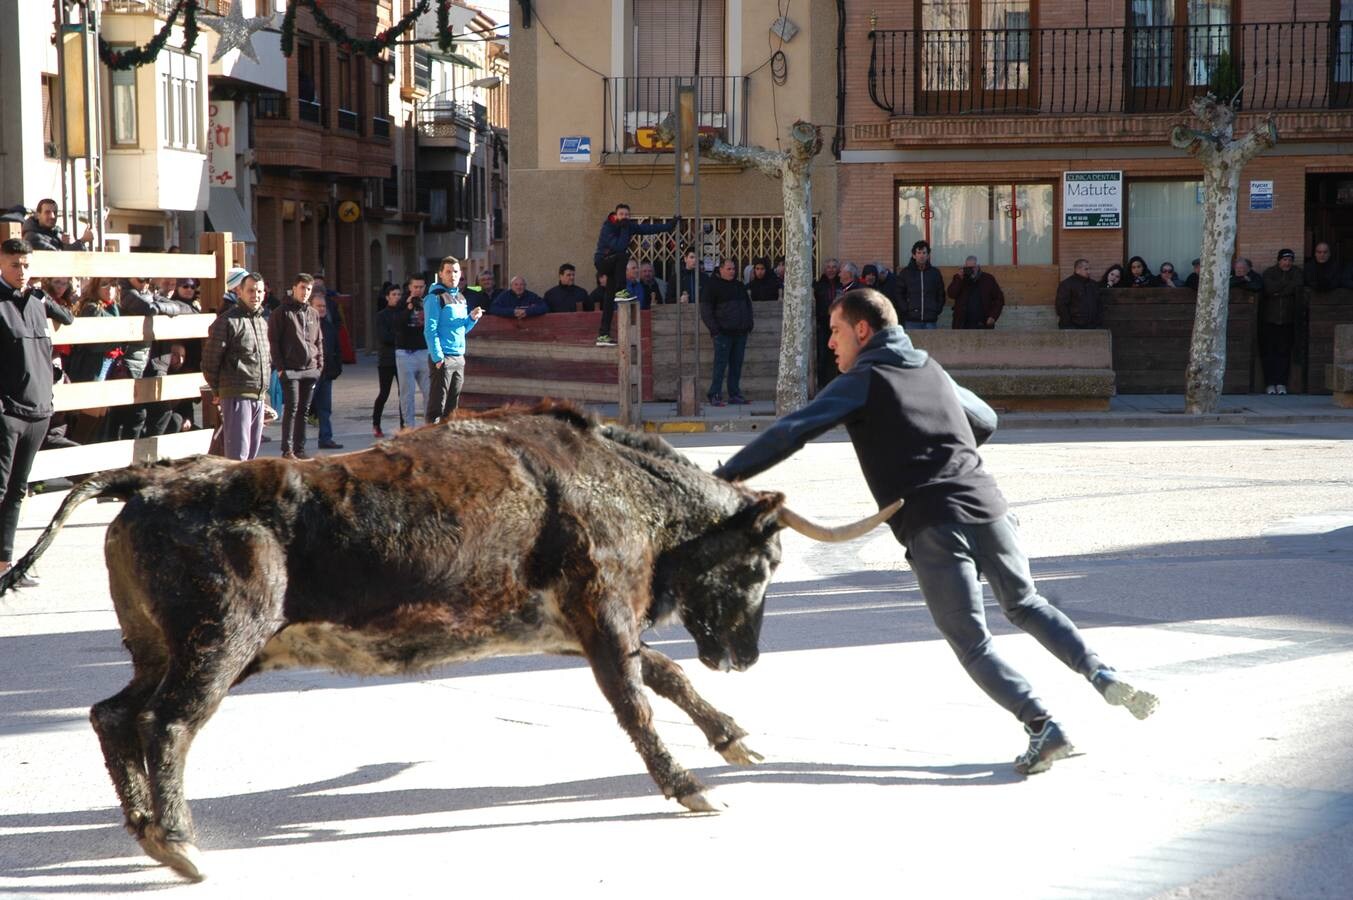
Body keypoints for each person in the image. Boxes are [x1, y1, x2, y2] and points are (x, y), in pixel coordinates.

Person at [712, 287, 1160, 775]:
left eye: (835, 332)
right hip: (988, 505)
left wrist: (722, 480)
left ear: (863, 330)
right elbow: (985, 419)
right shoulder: (927, 366)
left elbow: (793, 430)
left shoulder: (865, 376)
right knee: (1027, 604)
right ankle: (1101, 673)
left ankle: (1043, 726)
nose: (831, 344)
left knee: (973, 643)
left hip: (932, 521)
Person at [1, 238, 74, 587]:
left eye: (26, 265)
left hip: (39, 410)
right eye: (15, 264)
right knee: (0, 489)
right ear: (2, 263)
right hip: (7, 412)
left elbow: (69, 319)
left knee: (18, 490)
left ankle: (5, 563)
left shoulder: (35, 301)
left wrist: (44, 297)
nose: (22, 271)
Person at [202, 271, 270, 462]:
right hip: (236, 395)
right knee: (237, 458)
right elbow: (209, 361)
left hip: (258, 395)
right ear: (239, 291)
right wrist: (217, 390)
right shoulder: (227, 321)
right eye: (250, 291)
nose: (255, 295)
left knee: (251, 455)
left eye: (259, 291)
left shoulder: (262, 322)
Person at [593, 202, 676, 345]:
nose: (624, 217)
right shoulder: (608, 227)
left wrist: (670, 225)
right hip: (602, 261)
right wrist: (625, 228)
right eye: (621, 214)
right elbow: (619, 246)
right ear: (616, 215)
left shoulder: (629, 226)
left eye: (627, 215)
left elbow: (649, 228)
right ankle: (621, 291)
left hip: (615, 266)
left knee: (608, 300)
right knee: (623, 255)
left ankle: (603, 334)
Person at [268, 273, 323, 460]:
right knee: (291, 408)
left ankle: (300, 449)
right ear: (294, 288)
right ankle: (287, 450)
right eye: (302, 288)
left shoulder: (313, 313)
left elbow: (318, 341)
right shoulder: (281, 312)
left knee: (304, 410)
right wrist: (281, 368)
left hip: (310, 368)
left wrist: (319, 366)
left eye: (309, 289)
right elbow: (273, 342)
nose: (305, 292)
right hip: (290, 370)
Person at [424, 255, 484, 423]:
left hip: (459, 357)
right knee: (437, 409)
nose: (453, 275)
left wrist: (472, 318)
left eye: (456, 271)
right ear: (441, 274)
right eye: (448, 272)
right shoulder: (435, 297)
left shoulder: (461, 298)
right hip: (443, 358)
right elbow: (430, 330)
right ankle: (429, 444)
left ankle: (445, 444)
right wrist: (437, 357)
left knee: (452, 410)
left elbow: (462, 329)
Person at [700, 257, 754, 407]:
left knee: (736, 365)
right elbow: (705, 310)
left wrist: (749, 324)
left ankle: (734, 394)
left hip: (740, 332)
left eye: (734, 269)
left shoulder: (738, 285)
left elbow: (747, 305)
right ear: (721, 269)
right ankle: (714, 394)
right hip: (723, 333)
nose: (732, 272)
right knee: (720, 365)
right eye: (729, 269)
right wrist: (715, 330)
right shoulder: (712, 286)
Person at [1260, 249, 1305, 395]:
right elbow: (1269, 288)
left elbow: (1297, 285)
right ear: (1279, 260)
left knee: (1284, 353)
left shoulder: (1297, 272)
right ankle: (1269, 383)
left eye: (1290, 260)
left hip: (1288, 320)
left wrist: (1279, 290)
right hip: (1270, 320)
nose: (1287, 263)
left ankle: (1281, 383)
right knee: (1269, 353)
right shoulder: (1269, 272)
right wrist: (1285, 287)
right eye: (1285, 260)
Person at [394, 275, 429, 430]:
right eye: (415, 287)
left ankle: (429, 425)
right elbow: (397, 325)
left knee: (429, 392)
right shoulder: (401, 303)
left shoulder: (428, 302)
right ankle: (409, 428)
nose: (418, 290)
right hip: (405, 353)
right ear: (410, 287)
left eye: (421, 287)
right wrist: (408, 308)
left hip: (424, 351)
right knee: (407, 394)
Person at [310, 293, 343, 450]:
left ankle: (326, 438)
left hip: (326, 374)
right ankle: (295, 442)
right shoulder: (306, 325)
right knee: (304, 409)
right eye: (319, 306)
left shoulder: (329, 326)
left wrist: (336, 368)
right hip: (310, 374)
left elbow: (336, 348)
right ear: (311, 306)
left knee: (325, 409)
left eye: (324, 306)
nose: (322, 309)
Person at [372, 283, 403, 437]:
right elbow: (384, 337)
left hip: (402, 359)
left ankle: (404, 426)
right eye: (394, 295)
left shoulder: (403, 313)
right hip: (386, 360)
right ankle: (376, 424)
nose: (397, 297)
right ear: (387, 297)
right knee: (384, 393)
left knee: (403, 394)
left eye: (399, 294)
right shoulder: (381, 315)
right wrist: (400, 337)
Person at [947, 255, 1005, 329]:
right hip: (962, 324)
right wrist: (960, 279)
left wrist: (993, 316)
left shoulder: (988, 279)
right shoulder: (959, 278)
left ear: (978, 267)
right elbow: (951, 294)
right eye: (968, 268)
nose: (971, 270)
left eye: (973, 267)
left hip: (983, 324)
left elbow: (999, 299)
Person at [814, 258, 844, 388]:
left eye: (833, 267)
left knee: (840, 354)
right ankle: (822, 384)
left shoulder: (842, 285)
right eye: (828, 267)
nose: (831, 269)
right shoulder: (818, 285)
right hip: (823, 324)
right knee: (823, 355)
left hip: (839, 326)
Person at [22, 199, 93, 251]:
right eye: (47, 212)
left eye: (55, 212)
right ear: (38, 215)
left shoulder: (56, 232)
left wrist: (71, 243)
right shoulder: (32, 237)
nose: (52, 216)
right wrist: (82, 240)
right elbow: (58, 258)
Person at [1056, 258, 1104, 329]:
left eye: (1089, 269)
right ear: (1077, 270)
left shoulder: (1093, 285)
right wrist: (1068, 325)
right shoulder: (1066, 284)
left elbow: (1099, 304)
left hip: (1092, 327)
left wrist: (1098, 323)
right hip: (1073, 327)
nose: (1089, 272)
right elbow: (1061, 306)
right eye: (1086, 269)